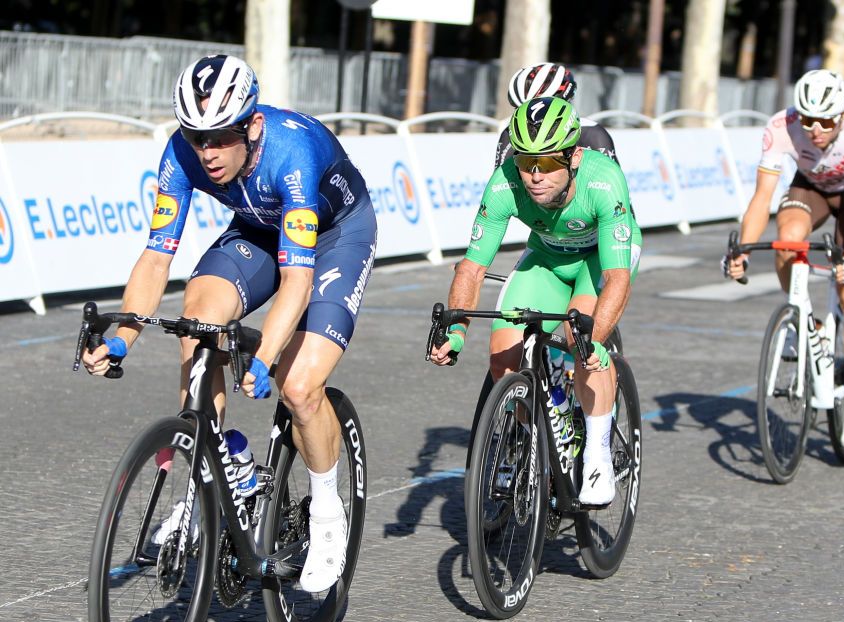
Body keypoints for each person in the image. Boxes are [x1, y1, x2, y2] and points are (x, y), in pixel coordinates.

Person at [81, 54, 378, 593]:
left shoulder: (292, 154)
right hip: (258, 230)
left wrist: (264, 357)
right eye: (196, 138)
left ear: (252, 126)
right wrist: (123, 335)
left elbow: (297, 282)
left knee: (298, 385)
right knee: (197, 319)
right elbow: (155, 258)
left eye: (219, 137)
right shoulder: (181, 155)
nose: (207, 152)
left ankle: (329, 513)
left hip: (336, 238)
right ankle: (219, 469)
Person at [429, 96, 641, 507]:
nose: (534, 176)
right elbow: (471, 268)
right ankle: (532, 437)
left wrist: (594, 338)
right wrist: (455, 331)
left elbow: (617, 278)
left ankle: (597, 451)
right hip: (547, 256)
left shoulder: (604, 180)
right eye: (527, 162)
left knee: (577, 335)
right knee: (501, 357)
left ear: (575, 156)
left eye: (547, 164)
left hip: (600, 259)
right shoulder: (505, 182)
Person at [724, 69, 844, 449]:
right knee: (788, 238)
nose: (815, 129)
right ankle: (803, 318)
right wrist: (742, 248)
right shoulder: (782, 126)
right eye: (808, 119)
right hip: (809, 188)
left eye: (825, 121)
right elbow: (763, 197)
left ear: (842, 115)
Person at [494, 62, 619, 168]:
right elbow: (499, 190)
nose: (530, 120)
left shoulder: (593, 134)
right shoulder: (509, 134)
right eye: (520, 110)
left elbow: (613, 188)